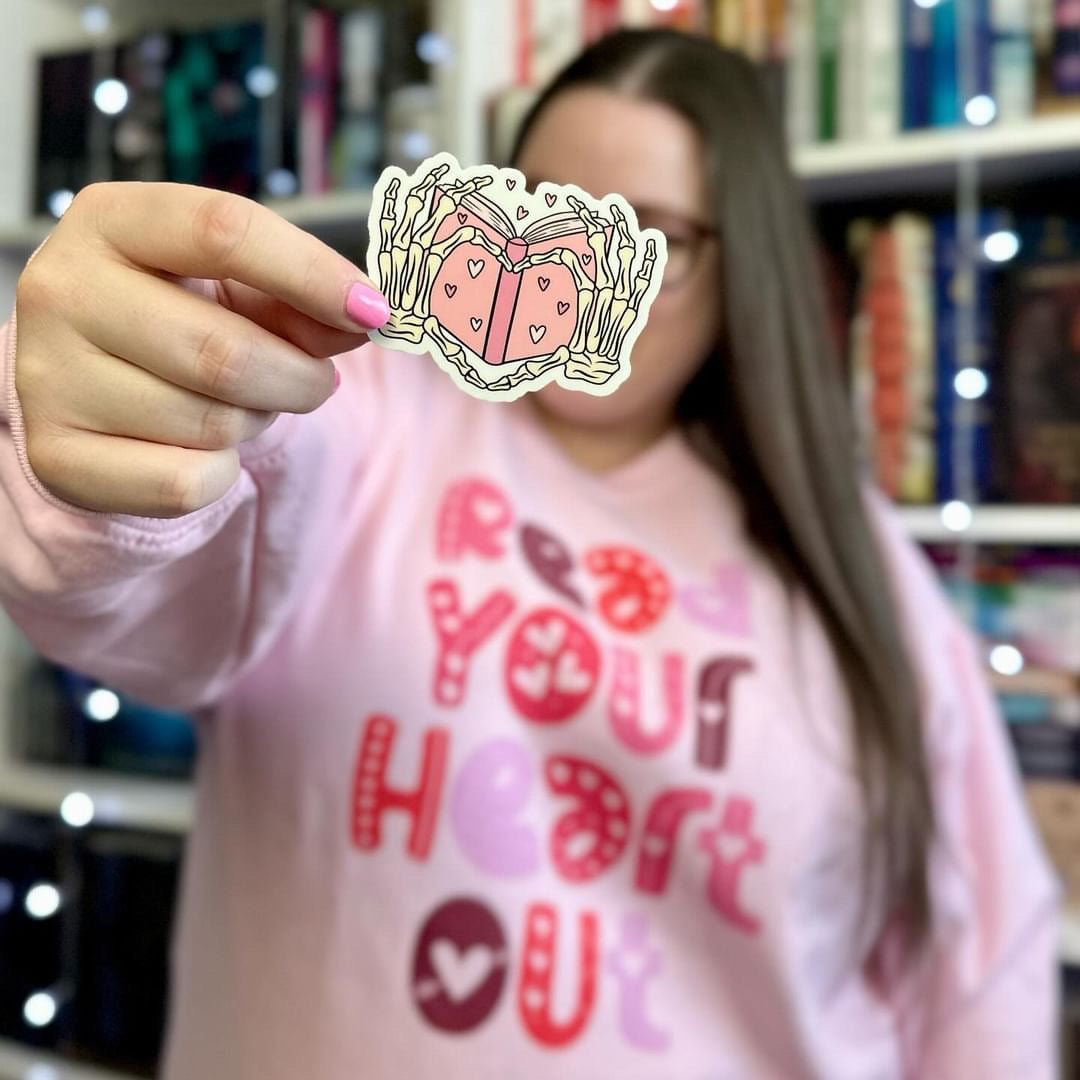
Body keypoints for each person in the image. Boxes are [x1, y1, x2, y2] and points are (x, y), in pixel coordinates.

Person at [0, 27, 1062, 1080]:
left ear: (743, 266)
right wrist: (108, 423)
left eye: (647, 237)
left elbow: (984, 973)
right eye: (540, 215)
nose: (568, 271)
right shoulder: (357, 412)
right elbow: (147, 556)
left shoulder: (849, 553)